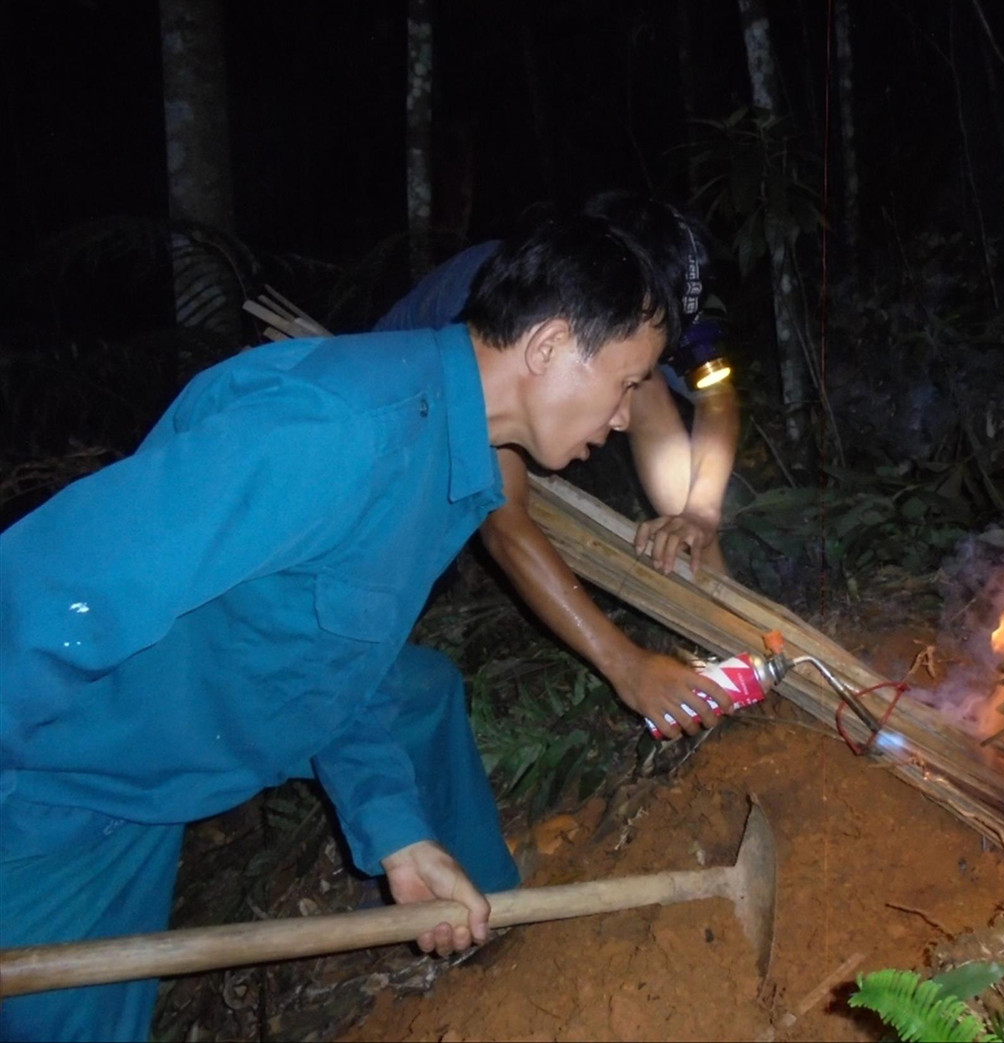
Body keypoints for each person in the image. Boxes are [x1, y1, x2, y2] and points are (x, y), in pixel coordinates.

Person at [0, 211, 734, 1042]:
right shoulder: (333, 428)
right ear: (550, 347)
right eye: (630, 381)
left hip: (145, 795)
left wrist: (397, 834)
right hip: (50, 801)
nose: (627, 413)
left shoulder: (446, 468)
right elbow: (47, 594)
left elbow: (331, 669)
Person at [376, 194, 741, 738]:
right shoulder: (510, 307)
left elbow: (716, 395)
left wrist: (700, 513)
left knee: (647, 397)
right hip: (401, 460)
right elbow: (506, 525)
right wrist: (627, 665)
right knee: (384, 622)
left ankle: (726, 623)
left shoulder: (637, 306)